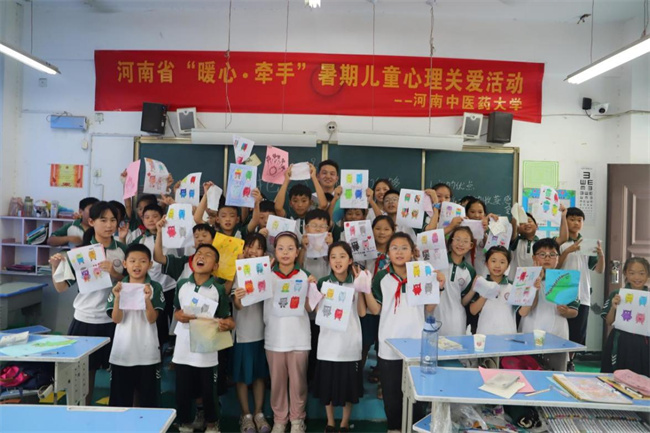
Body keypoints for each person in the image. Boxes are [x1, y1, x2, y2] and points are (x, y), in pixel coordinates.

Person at [363, 233, 445, 433]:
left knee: (416, 391)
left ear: (412, 252)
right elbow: (376, 309)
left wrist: (438, 287)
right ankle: (394, 428)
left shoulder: (421, 274)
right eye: (394, 248)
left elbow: (429, 308)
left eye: (404, 248)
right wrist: (365, 290)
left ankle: (414, 428)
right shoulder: (381, 277)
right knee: (391, 392)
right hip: (389, 342)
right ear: (388, 253)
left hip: (416, 341)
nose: (399, 252)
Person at [48, 201, 127, 404]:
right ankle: (82, 411)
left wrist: (114, 272)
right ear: (91, 222)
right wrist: (55, 267)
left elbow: (131, 282)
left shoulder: (122, 250)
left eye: (113, 220)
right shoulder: (79, 253)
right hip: (85, 318)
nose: (109, 225)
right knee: (83, 373)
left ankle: (117, 412)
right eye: (103, 220)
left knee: (118, 371)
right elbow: (61, 287)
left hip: (114, 319)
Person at [173, 244, 234, 433]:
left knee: (209, 391)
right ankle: (184, 423)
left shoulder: (218, 289)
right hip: (183, 348)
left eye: (208, 255)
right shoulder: (182, 285)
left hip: (207, 349)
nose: (202, 257)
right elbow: (176, 310)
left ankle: (212, 424)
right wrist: (178, 315)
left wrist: (227, 324)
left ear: (215, 266)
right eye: (199, 254)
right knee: (183, 390)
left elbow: (228, 318)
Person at [313, 242, 366, 433]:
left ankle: (344, 423)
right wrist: (314, 294)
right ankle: (330, 422)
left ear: (350, 260)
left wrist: (360, 288)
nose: (337, 260)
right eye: (333, 257)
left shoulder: (356, 282)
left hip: (350, 342)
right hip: (328, 343)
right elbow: (316, 311)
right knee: (327, 385)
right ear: (328, 260)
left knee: (348, 387)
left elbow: (362, 313)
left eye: (342, 256)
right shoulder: (323, 283)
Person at [264, 232, 315, 433]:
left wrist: (313, 288)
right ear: (274, 252)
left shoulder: (304, 276)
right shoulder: (267, 276)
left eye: (290, 248)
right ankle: (279, 419)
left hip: (299, 338)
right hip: (274, 338)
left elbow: (310, 308)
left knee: (298, 382)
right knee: (277, 383)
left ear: (297, 252)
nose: (285, 252)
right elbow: (251, 298)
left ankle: (297, 419)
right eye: (281, 248)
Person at [107, 243, 165, 407]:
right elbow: (116, 319)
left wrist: (147, 300)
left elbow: (152, 319)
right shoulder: (119, 287)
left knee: (148, 402)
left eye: (142, 261)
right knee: (120, 403)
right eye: (132, 261)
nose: (137, 265)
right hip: (122, 351)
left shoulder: (155, 287)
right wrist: (117, 298)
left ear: (150, 264)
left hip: (147, 352)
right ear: (125, 264)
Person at [231, 233, 272, 433]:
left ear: (264, 252)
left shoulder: (268, 271)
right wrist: (239, 297)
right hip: (242, 332)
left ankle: (258, 413)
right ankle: (246, 415)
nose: (253, 251)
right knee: (241, 376)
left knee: (259, 376)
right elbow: (237, 305)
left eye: (258, 247)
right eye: (249, 246)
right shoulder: (236, 271)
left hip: (263, 332)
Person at [518, 238, 578, 371]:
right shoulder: (525, 278)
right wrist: (535, 284)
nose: (547, 258)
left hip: (558, 334)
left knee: (557, 374)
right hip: (530, 334)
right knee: (529, 372)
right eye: (542, 254)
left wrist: (566, 311)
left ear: (558, 258)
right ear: (534, 257)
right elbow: (524, 311)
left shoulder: (565, 280)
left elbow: (574, 311)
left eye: (552, 255)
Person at [557, 206, 604, 368]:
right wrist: (568, 250)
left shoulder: (588, 244)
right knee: (560, 329)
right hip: (561, 291)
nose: (576, 223)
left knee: (577, 332)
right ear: (565, 221)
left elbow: (599, 270)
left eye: (579, 220)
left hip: (582, 293)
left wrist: (601, 254)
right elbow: (555, 267)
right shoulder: (559, 243)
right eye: (572, 219)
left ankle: (570, 362)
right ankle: (558, 361)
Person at [127, 204, 177, 346]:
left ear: (163, 218)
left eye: (155, 216)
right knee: (157, 320)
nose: (151, 220)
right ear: (142, 219)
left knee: (173, 319)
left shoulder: (173, 236)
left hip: (170, 285)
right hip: (151, 287)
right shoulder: (140, 240)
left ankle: (171, 347)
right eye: (146, 217)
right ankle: (158, 347)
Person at [360, 216, 395, 398]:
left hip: (388, 307)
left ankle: (383, 383)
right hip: (367, 305)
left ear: (393, 231)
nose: (382, 232)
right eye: (378, 228)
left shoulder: (396, 253)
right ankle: (356, 380)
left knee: (384, 346)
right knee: (364, 344)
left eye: (386, 229)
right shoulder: (364, 251)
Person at [600, 257, 649, 376]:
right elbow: (609, 321)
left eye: (641, 273)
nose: (637, 277)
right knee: (616, 376)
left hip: (644, 344)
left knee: (642, 378)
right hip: (621, 342)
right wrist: (613, 307)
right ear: (625, 273)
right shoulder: (617, 294)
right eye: (632, 273)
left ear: (648, 275)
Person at [435, 226, 477, 336]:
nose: (461, 244)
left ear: (471, 245)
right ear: (451, 241)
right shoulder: (437, 261)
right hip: (434, 316)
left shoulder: (470, 271)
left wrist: (473, 289)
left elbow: (464, 301)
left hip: (456, 321)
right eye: (457, 239)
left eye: (465, 241)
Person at [469, 246, 516, 335]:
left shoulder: (512, 286)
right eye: (493, 261)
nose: (497, 265)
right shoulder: (481, 283)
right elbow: (473, 311)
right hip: (485, 334)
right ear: (486, 263)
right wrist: (487, 292)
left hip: (508, 334)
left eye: (502, 262)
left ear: (507, 266)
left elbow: (522, 312)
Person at [274, 163, 327, 235]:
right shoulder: (289, 219)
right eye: (295, 201)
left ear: (310, 202)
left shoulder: (314, 218)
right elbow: (278, 208)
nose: (300, 205)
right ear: (290, 203)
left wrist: (314, 177)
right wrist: (286, 180)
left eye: (304, 201)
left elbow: (323, 205)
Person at [508, 212, 540, 281]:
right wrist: (515, 213)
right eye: (522, 223)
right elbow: (513, 226)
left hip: (533, 282)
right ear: (518, 228)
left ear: (536, 225)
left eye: (529, 221)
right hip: (514, 282)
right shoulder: (516, 241)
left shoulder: (540, 244)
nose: (526, 224)